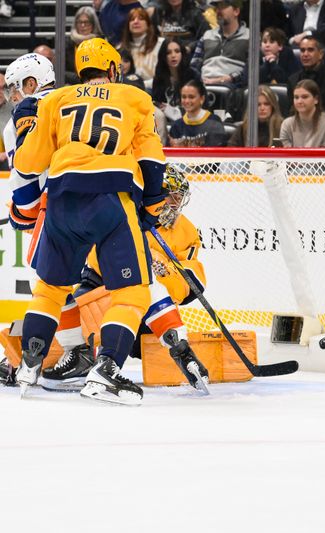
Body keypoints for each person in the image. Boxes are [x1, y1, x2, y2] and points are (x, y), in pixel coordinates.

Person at [9, 37, 206, 404]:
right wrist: (150, 208)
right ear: (113, 69)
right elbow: (151, 160)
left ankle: (29, 364)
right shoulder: (133, 98)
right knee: (132, 292)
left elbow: (26, 163)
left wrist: (23, 200)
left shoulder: (55, 99)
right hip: (112, 198)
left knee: (50, 288)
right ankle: (106, 370)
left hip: (62, 199)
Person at [42, 165, 210, 395]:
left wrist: (163, 271)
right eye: (171, 195)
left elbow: (191, 282)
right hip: (100, 283)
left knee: (145, 295)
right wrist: (136, 260)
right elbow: (97, 253)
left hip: (147, 309)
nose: (175, 203)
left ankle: (180, 351)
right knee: (68, 314)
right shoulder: (125, 210)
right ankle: (23, 357)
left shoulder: (186, 231)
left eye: (179, 197)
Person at [0, 53, 56, 384]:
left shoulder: (22, 114)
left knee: (51, 282)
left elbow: (26, 176)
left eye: (14, 88)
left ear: (31, 84)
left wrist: (22, 211)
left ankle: (68, 351)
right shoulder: (72, 100)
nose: (12, 97)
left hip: (58, 206)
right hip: (110, 201)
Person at [190, 0, 250, 88]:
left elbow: (251, 70)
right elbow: (194, 65)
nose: (218, 11)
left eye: (223, 6)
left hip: (233, 87)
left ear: (236, 11)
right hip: (204, 85)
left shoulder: (250, 36)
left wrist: (229, 78)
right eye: (216, 7)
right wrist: (200, 80)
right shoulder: (207, 35)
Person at [287, 35, 325, 121]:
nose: (305, 54)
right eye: (302, 50)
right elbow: (291, 111)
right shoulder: (292, 80)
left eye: (310, 50)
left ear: (320, 54)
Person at [279, 79, 325, 148]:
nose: (299, 101)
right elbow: (286, 156)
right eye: (296, 97)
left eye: (305, 97)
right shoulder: (287, 124)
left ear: (316, 99)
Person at [168, 79, 229, 147]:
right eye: (184, 97)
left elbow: (217, 152)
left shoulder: (214, 122)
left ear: (202, 99)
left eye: (191, 97)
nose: (187, 101)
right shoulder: (176, 126)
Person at [152, 37, 199, 121]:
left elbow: (198, 105)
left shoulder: (193, 75)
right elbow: (156, 102)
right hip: (165, 120)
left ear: (182, 53)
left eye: (177, 51)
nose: (173, 56)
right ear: (163, 56)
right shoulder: (159, 77)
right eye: (168, 53)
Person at [118, 7, 165, 86]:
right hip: (127, 90)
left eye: (141, 19)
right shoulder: (120, 48)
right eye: (132, 19)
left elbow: (163, 77)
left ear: (148, 24)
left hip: (153, 89)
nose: (136, 22)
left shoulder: (161, 44)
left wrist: (139, 85)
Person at [66, 6, 104, 84]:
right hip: (72, 85)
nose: (83, 26)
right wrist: (77, 78)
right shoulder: (68, 43)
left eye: (86, 22)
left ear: (93, 24)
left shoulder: (101, 44)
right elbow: (60, 70)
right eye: (80, 22)